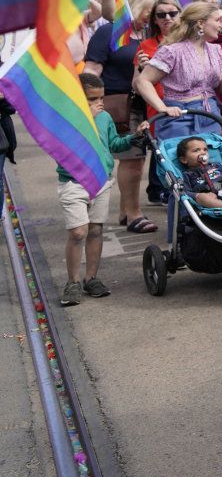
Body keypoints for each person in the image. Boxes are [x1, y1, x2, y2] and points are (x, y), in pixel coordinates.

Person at [57, 74, 147, 306]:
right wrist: (85, 119)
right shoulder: (65, 117)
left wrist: (134, 137)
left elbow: (113, 143)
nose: (99, 103)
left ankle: (91, 278)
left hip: (100, 181)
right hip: (74, 182)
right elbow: (61, 148)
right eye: (92, 99)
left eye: (101, 98)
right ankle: (72, 282)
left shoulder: (104, 117)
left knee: (96, 230)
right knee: (78, 232)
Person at [84, 0, 160, 234]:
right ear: (136, 7)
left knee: (137, 160)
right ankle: (134, 214)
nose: (151, 18)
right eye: (149, 12)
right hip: (118, 103)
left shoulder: (148, 34)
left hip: (142, 103)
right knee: (132, 160)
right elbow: (92, 69)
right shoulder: (109, 32)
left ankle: (125, 210)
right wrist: (90, 101)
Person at [134, 2, 222, 137]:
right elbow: (142, 81)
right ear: (201, 23)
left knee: (214, 151)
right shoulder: (172, 51)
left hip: (211, 114)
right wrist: (162, 107)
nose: (221, 25)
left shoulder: (216, 50)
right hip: (179, 117)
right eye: (217, 20)